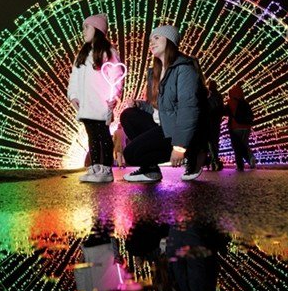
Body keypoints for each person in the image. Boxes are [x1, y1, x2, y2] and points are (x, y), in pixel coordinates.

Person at [120, 24, 208, 183]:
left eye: (157, 37)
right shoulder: (155, 72)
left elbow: (188, 109)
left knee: (131, 154)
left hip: (174, 131)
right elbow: (160, 108)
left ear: (170, 40)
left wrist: (179, 147)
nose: (151, 42)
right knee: (128, 115)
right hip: (162, 126)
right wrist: (139, 105)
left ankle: (193, 150)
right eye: (150, 39)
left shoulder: (184, 69)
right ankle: (151, 170)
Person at [67, 13, 123, 183]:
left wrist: (115, 96)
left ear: (97, 29)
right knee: (92, 136)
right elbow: (74, 77)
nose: (82, 31)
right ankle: (94, 168)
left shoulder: (108, 52)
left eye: (86, 27)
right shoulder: (82, 54)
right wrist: (73, 95)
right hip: (85, 105)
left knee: (103, 136)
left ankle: (106, 170)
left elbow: (117, 76)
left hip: (100, 104)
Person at [226, 83, 256, 171]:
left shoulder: (231, 102)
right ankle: (251, 158)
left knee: (237, 147)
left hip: (235, 127)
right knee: (245, 145)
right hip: (247, 127)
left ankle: (240, 166)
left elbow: (225, 112)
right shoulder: (245, 102)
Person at [206, 80, 225, 171]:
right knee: (214, 142)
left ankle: (214, 161)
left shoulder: (208, 96)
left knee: (210, 142)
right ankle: (214, 161)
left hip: (209, 121)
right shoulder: (219, 96)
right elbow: (222, 109)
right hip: (216, 121)